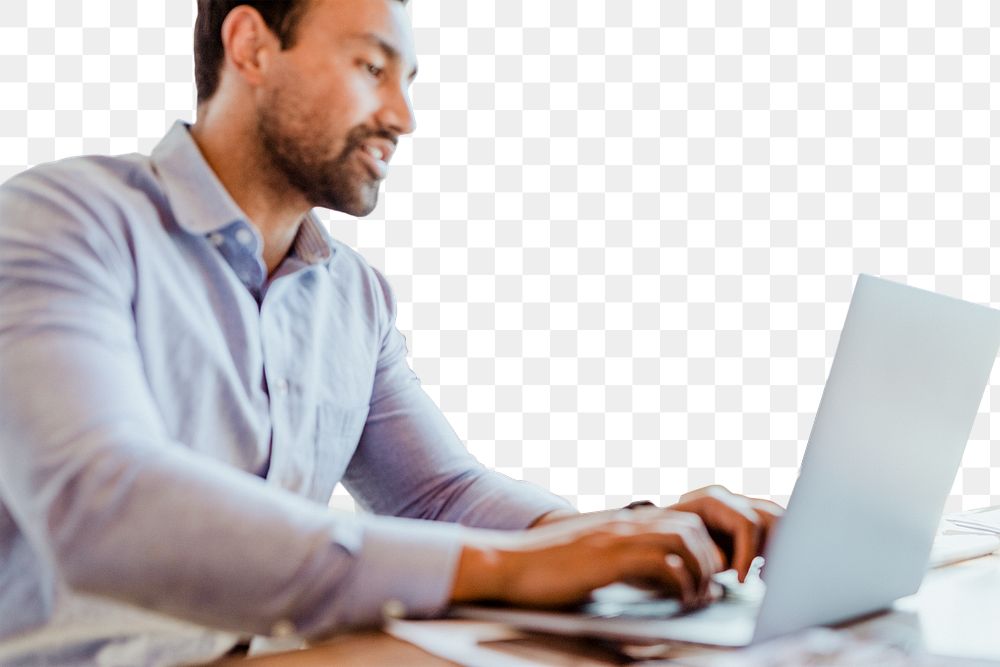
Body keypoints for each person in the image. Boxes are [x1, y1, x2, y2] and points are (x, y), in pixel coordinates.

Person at [0, 0, 782, 664]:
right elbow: (99, 505)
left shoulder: (353, 297)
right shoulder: (64, 222)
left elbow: (439, 495)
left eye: (407, 82)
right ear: (252, 48)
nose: (402, 118)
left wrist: (637, 534)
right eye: (372, 69)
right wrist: (508, 566)